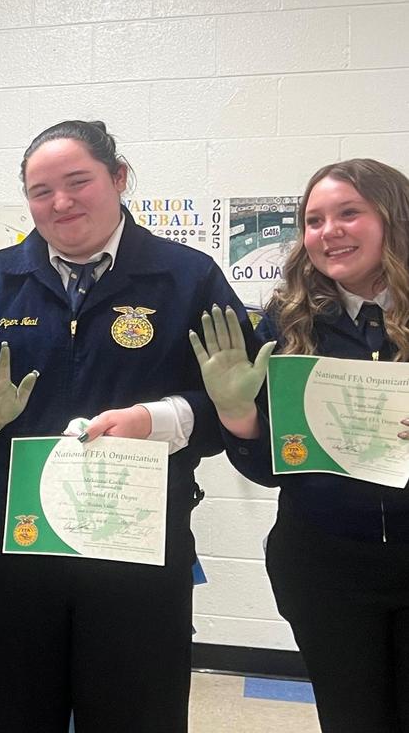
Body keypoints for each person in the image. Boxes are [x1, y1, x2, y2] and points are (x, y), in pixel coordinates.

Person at [0, 120, 248, 732]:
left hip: (138, 545)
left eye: (78, 182)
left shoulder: (186, 278)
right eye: (41, 191)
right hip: (16, 545)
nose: (60, 202)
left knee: (136, 712)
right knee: (14, 713)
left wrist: (160, 418)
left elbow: (236, 405)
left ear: (118, 179)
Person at [193, 158, 409, 733]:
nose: (328, 231)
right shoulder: (285, 325)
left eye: (348, 213)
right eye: (313, 220)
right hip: (324, 563)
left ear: (394, 217)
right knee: (352, 718)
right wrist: (237, 414)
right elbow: (273, 468)